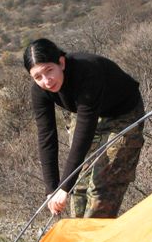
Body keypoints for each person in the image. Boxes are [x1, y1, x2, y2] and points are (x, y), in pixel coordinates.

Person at [23, 38, 145, 218]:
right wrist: (52, 189)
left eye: (49, 71)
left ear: (61, 63)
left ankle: (95, 233)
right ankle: (77, 232)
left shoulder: (87, 72)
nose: (46, 81)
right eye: (37, 77)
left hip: (123, 114)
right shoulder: (39, 91)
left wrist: (64, 186)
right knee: (78, 185)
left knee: (102, 185)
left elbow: (85, 131)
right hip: (86, 113)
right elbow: (46, 137)